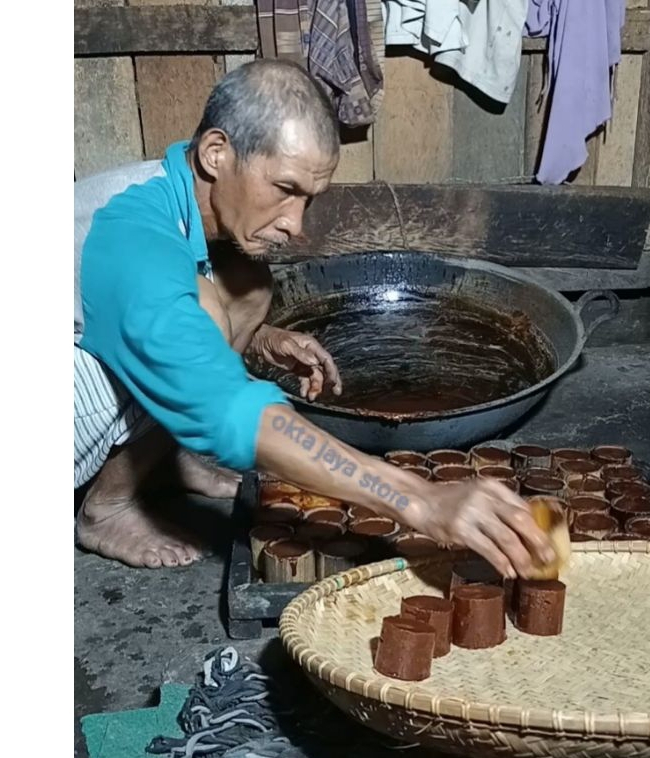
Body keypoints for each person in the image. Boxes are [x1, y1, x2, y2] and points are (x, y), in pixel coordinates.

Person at [75, 59, 553, 577]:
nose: (296, 224)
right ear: (217, 153)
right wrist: (419, 499)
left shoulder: (173, 191)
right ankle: (108, 509)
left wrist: (260, 341)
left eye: (308, 198)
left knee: (246, 289)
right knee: (203, 318)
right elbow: (224, 404)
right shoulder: (131, 236)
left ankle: (178, 460)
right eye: (284, 188)